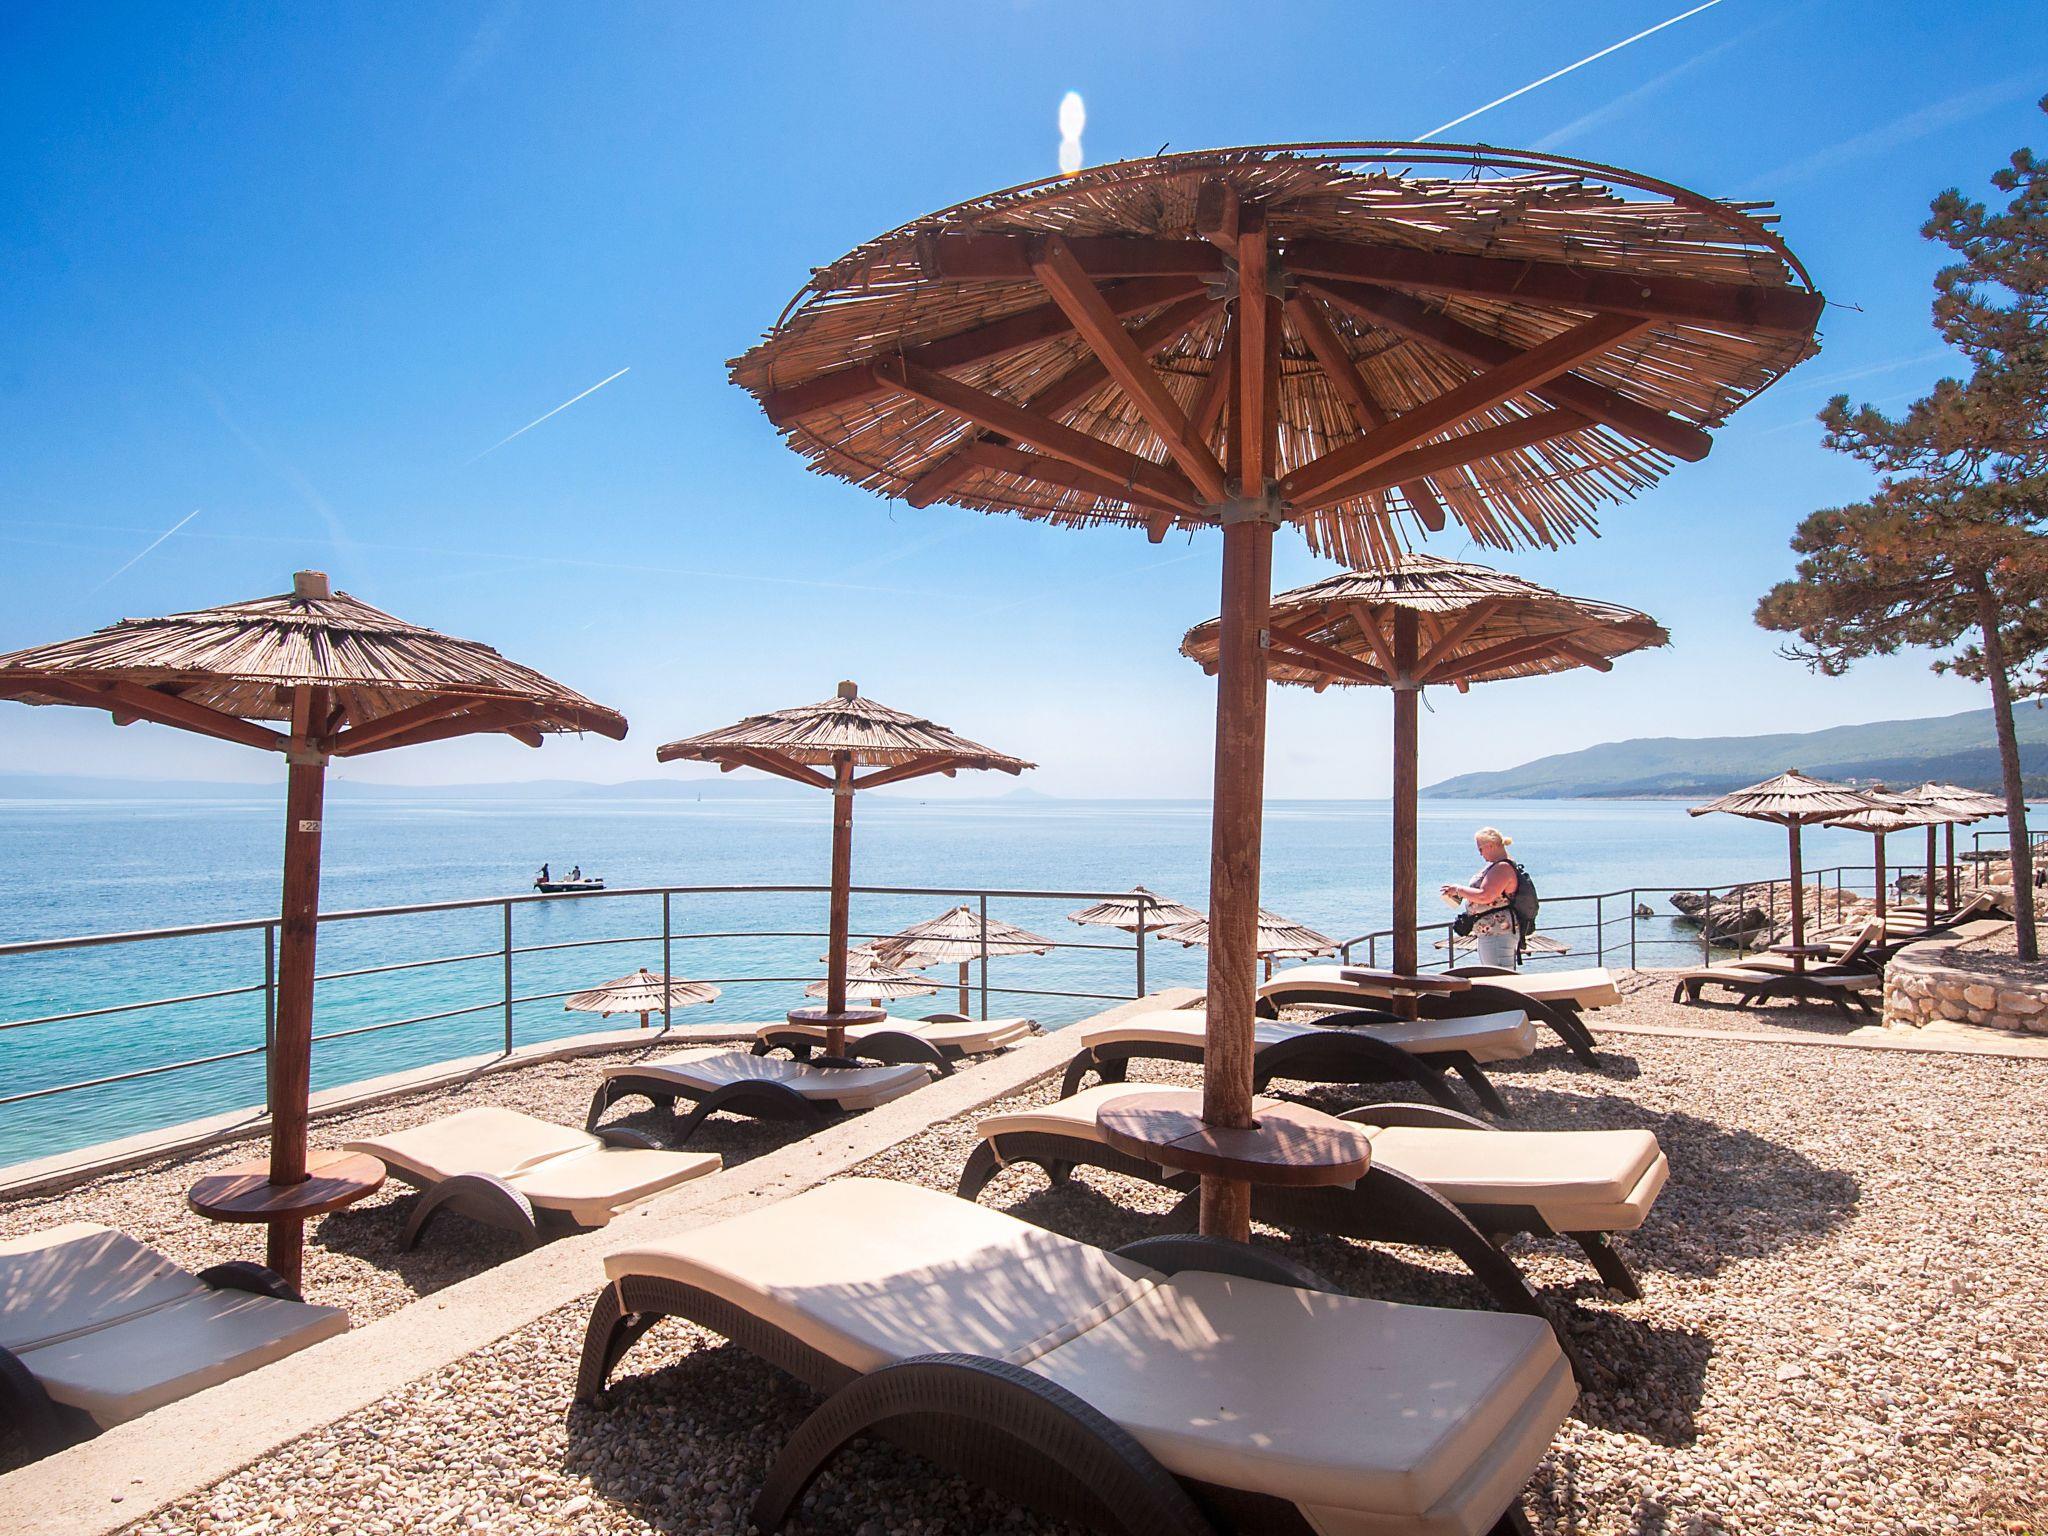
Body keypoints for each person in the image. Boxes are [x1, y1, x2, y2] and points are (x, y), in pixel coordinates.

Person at [1442, 827, 1520, 970]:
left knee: (1499, 976)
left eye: (1480, 849)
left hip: (1498, 932)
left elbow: (1485, 896)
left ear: (1490, 845)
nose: (1480, 853)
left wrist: (1459, 890)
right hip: (1492, 932)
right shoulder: (1499, 865)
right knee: (1495, 974)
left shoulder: (1502, 867)